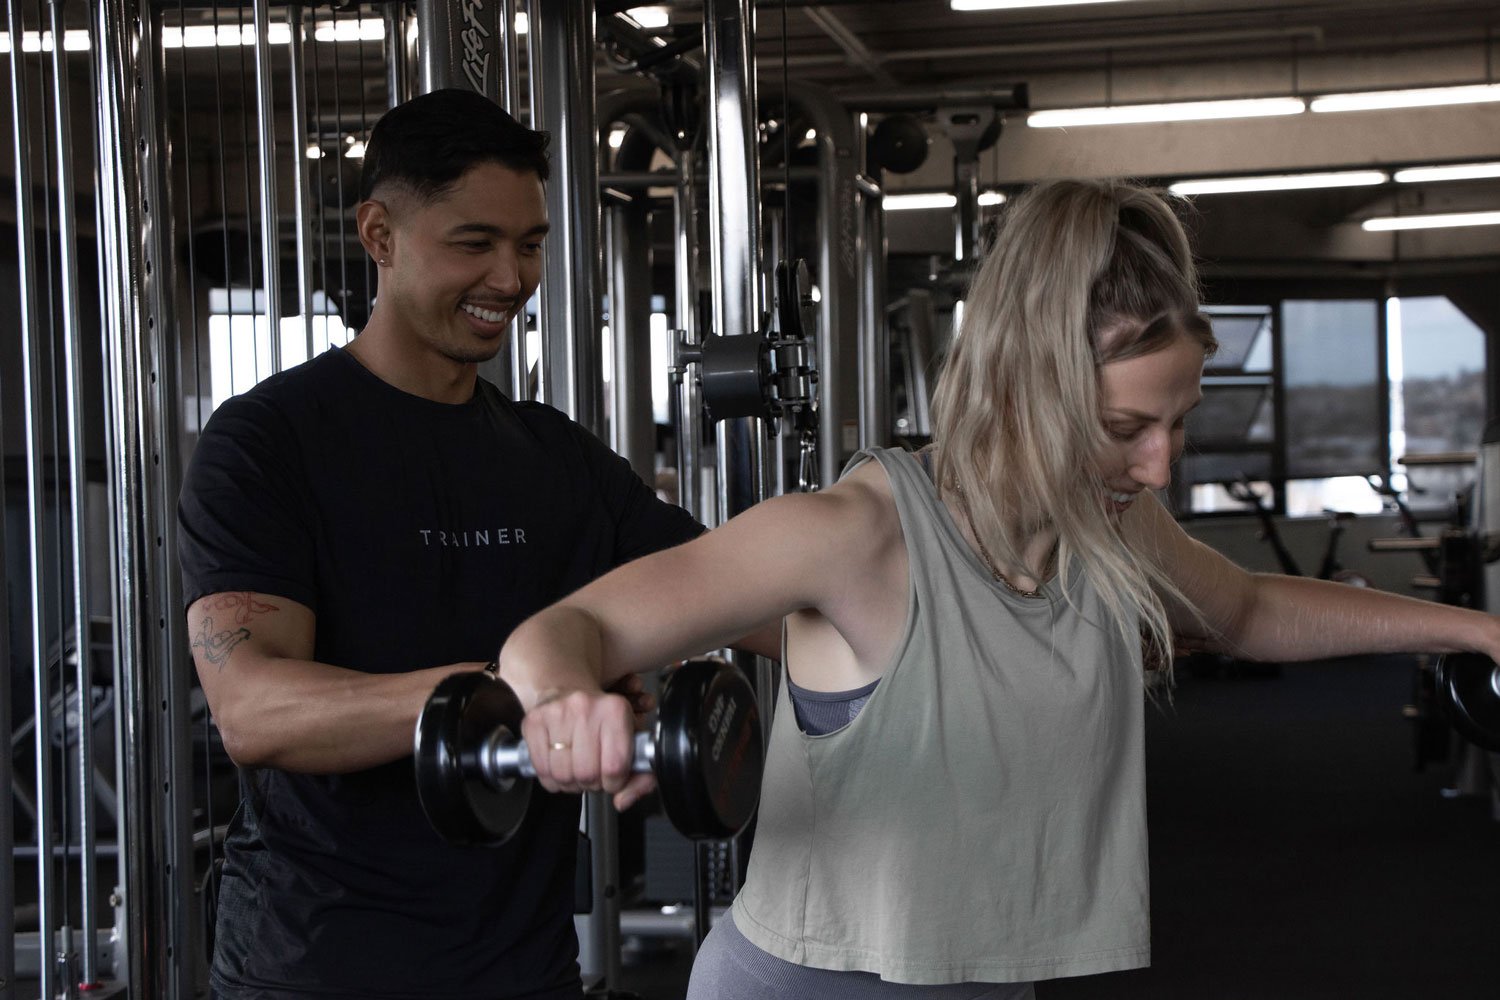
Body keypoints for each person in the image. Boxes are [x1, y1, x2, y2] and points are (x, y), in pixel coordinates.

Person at [495, 179, 1500, 999]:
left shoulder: (1105, 524)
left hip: (988, 980)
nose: (1160, 465)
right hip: (808, 984)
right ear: (1028, 384)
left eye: (1178, 421)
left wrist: (1474, 628)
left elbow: (1246, 610)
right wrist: (564, 700)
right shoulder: (857, 533)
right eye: (1124, 429)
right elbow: (563, 629)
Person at [177, 88, 775, 1000]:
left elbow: (753, 594)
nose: (511, 278)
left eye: (529, 245)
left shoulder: (555, 459)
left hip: (523, 966)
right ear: (380, 235)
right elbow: (255, 711)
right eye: (475, 243)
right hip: (314, 968)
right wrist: (535, 696)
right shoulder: (267, 442)